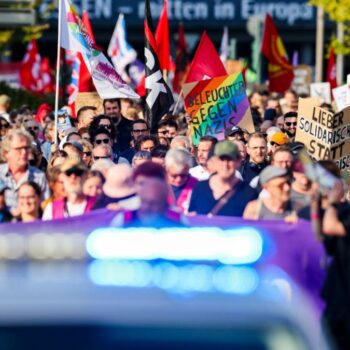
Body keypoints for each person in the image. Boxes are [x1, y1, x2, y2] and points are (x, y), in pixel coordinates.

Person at [188, 141, 257, 216]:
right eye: (221, 159)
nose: (225, 165)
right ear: (214, 161)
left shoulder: (249, 193)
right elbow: (192, 218)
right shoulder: (200, 188)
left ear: (238, 161)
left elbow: (252, 225)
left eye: (229, 159)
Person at [0, 129, 49, 210]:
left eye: (26, 148)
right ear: (6, 153)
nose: (24, 152)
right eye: (19, 149)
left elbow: (46, 210)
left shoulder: (39, 177)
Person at [111, 177, 185, 228]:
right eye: (145, 201)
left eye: (155, 202)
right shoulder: (123, 219)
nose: (149, 207)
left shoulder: (178, 219)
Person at [165, 148, 198, 213]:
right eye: (174, 176)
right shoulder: (157, 185)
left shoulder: (196, 185)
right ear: (167, 169)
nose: (178, 179)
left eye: (183, 175)